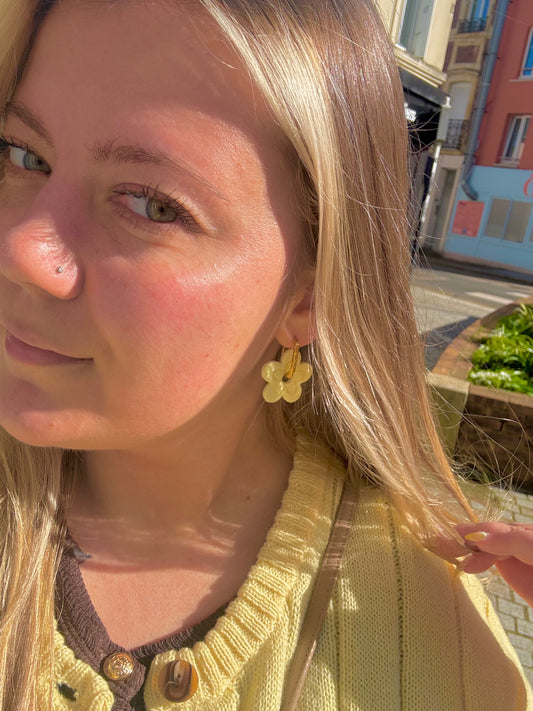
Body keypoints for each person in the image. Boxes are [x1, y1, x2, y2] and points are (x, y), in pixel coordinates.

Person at [0, 0, 530, 709]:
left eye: (153, 204)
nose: (21, 249)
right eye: (23, 155)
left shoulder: (440, 653)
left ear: (308, 295)